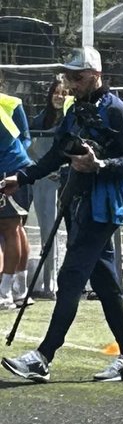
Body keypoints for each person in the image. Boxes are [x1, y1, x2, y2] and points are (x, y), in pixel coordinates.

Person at [0, 46, 123, 383]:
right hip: (79, 204)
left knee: (70, 278)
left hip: (102, 209)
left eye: (77, 77)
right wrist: (21, 178)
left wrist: (101, 165)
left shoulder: (117, 111)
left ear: (96, 75)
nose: (71, 83)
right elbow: (56, 154)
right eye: (68, 76)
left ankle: (43, 357)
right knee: (106, 284)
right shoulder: (76, 110)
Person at [27, 76, 68, 300]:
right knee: (45, 231)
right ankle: (45, 280)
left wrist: (61, 169)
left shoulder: (72, 119)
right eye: (56, 92)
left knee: (61, 231)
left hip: (64, 183)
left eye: (64, 93)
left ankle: (59, 281)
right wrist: (42, 168)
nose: (59, 97)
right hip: (43, 184)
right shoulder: (39, 120)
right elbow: (29, 147)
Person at [0, 72, 32, 309]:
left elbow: (23, 137)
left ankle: (5, 293)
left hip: (11, 172)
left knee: (10, 227)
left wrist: (14, 168)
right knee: (16, 228)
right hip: (15, 170)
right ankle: (20, 291)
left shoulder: (11, 103)